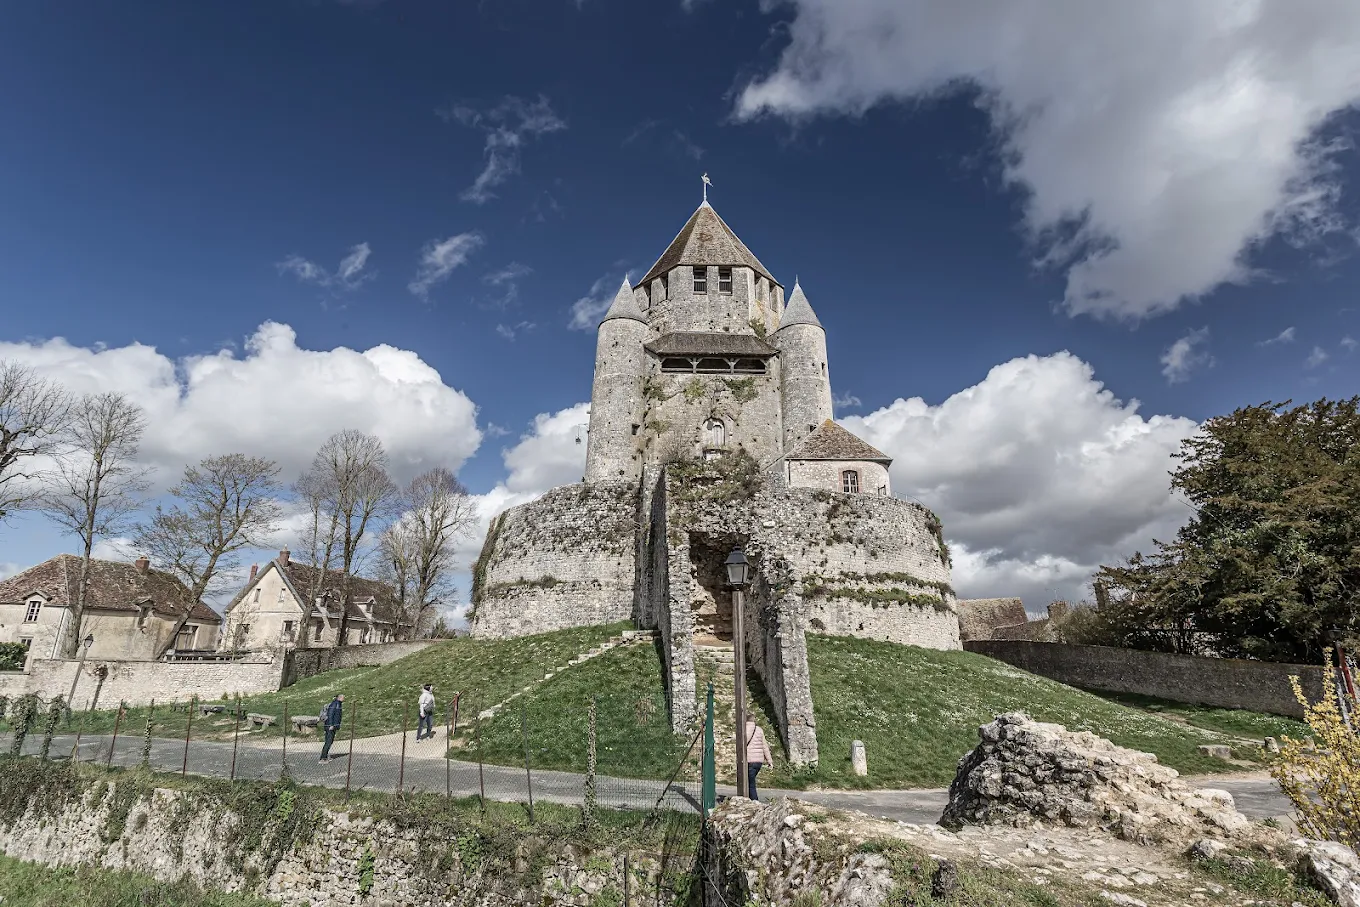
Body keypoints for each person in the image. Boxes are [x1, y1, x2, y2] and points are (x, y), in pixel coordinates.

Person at [744, 715, 774, 802]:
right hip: (759, 761)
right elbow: (765, 746)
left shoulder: (744, 729)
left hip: (749, 760)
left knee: (750, 783)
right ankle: (750, 800)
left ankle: (754, 801)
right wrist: (769, 761)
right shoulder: (759, 730)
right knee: (750, 781)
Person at [319, 693, 344, 762]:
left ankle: (325, 756)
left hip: (333, 726)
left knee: (329, 741)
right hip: (330, 726)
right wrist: (331, 725)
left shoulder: (338, 704)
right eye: (343, 697)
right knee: (328, 742)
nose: (344, 698)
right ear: (339, 698)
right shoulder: (335, 704)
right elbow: (330, 715)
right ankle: (323, 758)